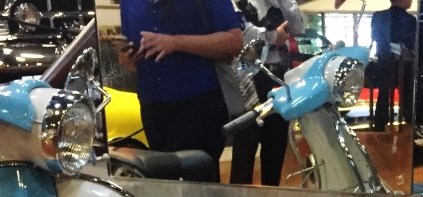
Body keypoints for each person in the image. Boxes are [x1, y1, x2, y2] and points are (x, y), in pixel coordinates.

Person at [119, 0, 244, 180]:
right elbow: (128, 43)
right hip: (152, 106)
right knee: (165, 183)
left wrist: (174, 43)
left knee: (193, 184)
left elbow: (234, 41)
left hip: (199, 103)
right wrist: (126, 56)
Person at [228, 0, 306, 186]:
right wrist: (272, 36)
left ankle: (271, 196)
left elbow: (298, 26)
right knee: (245, 147)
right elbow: (239, 35)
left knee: (275, 147)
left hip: (279, 76)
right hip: (248, 77)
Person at [369, 0, 416, 132]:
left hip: (382, 63)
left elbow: (375, 36)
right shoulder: (410, 20)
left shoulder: (378, 16)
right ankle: (409, 125)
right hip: (403, 65)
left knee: (383, 95)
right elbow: (411, 43)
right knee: (407, 96)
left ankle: (379, 126)